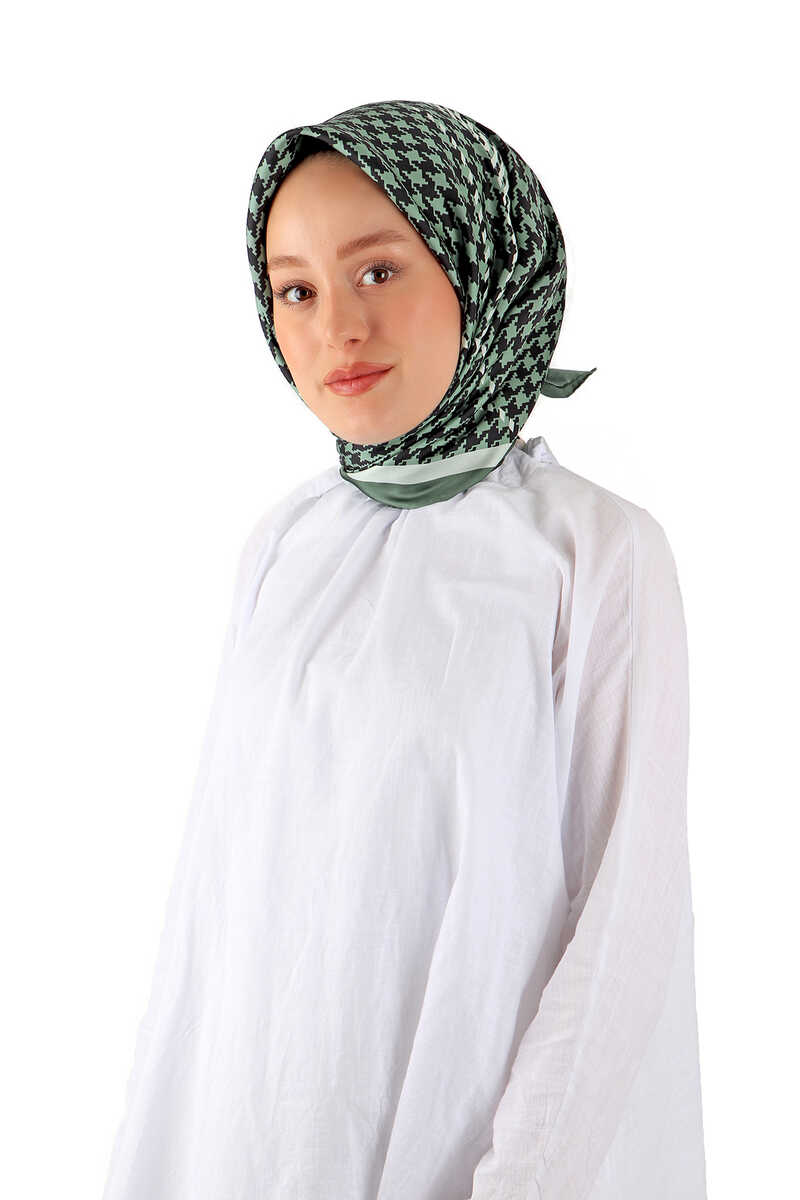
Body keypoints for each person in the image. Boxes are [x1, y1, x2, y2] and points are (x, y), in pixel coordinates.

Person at [101, 99, 707, 1199]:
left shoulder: (591, 551)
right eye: (295, 289)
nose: (335, 326)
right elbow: (216, 895)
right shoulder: (284, 543)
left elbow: (624, 913)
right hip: (259, 1144)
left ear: (483, 270)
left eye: (377, 271)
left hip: (471, 1155)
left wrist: (518, 1181)